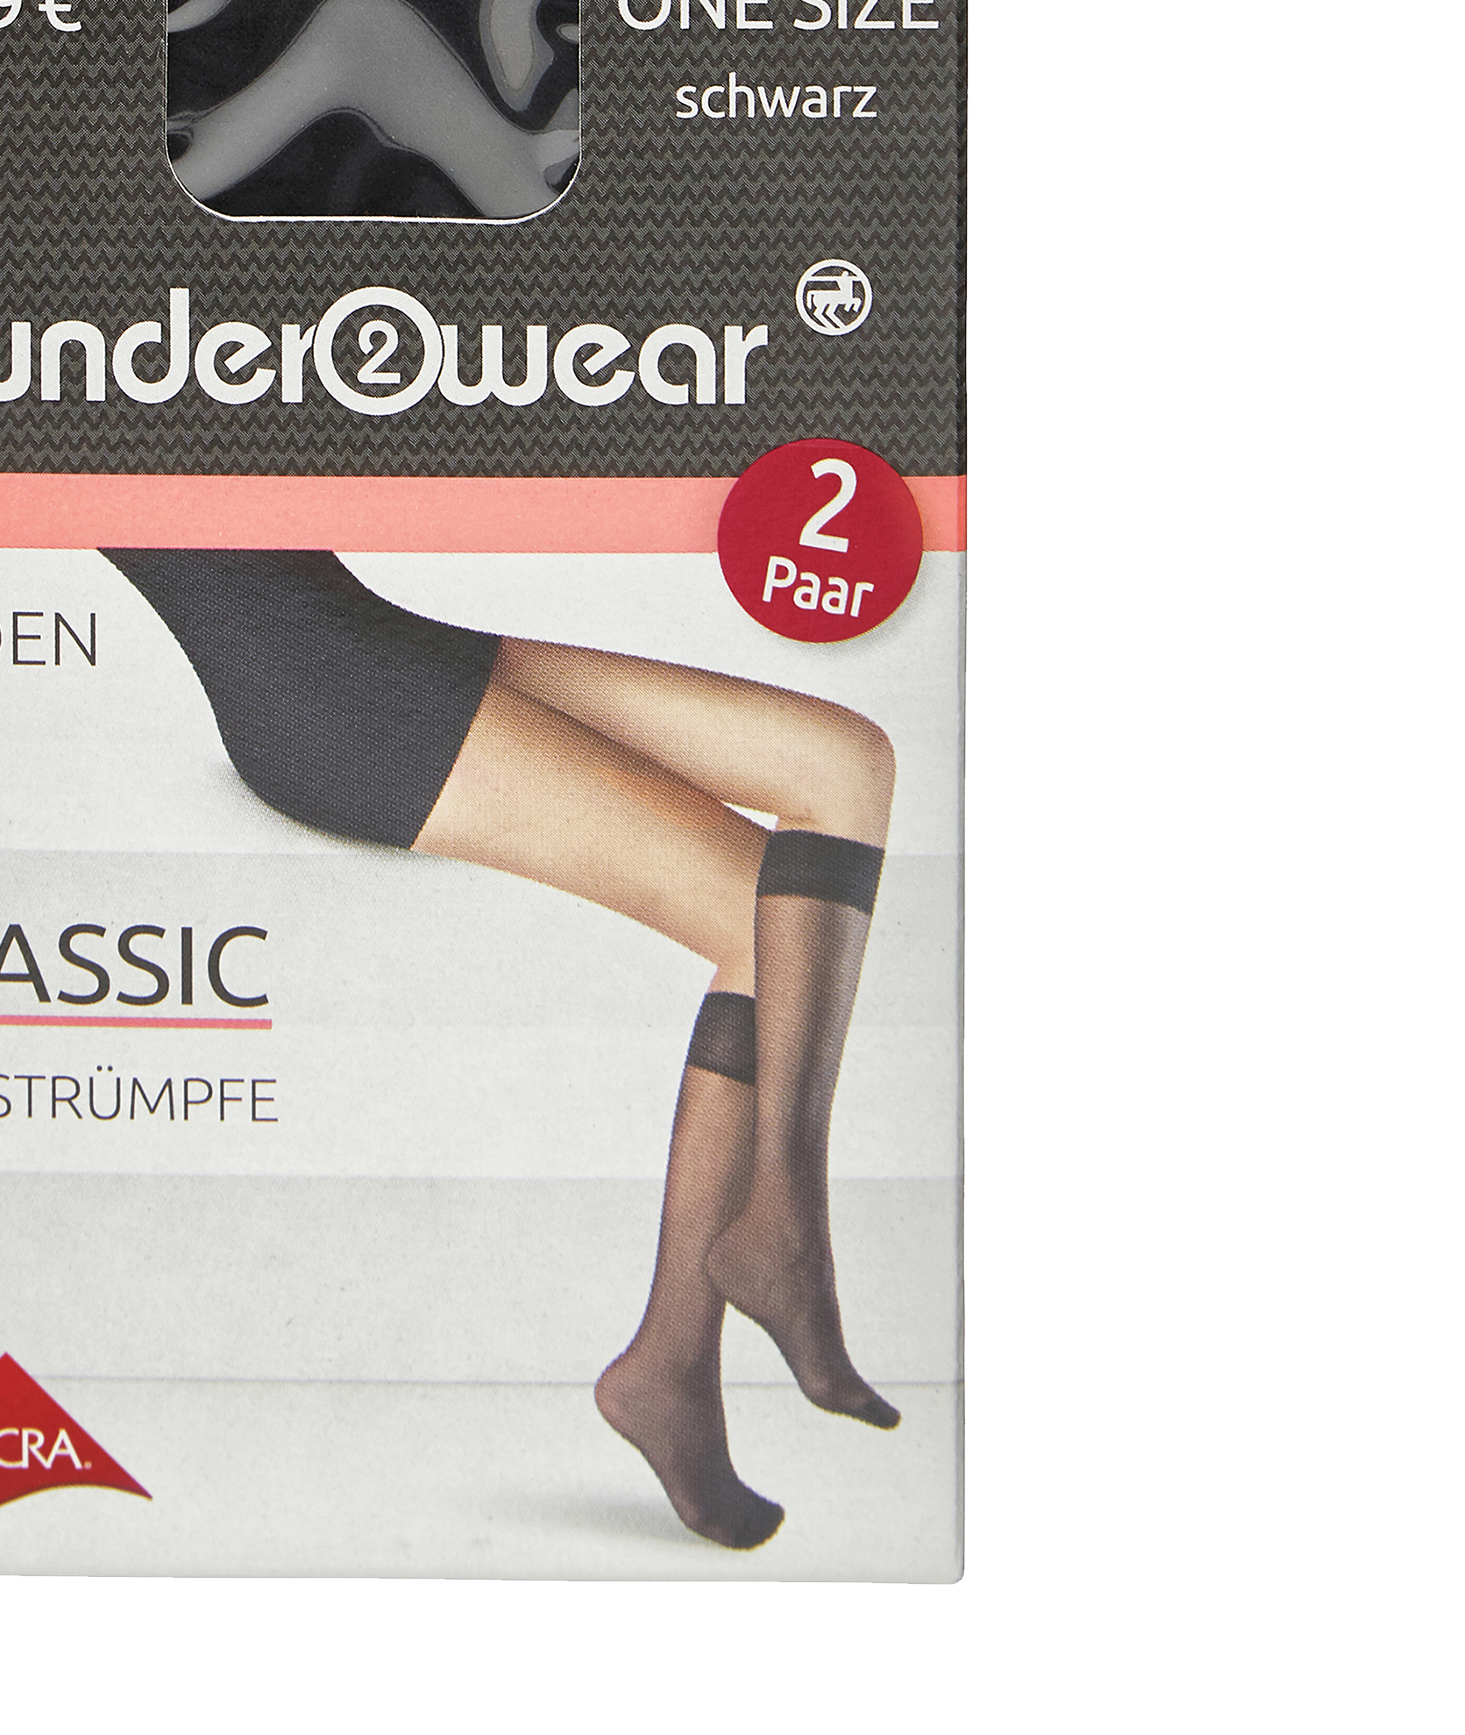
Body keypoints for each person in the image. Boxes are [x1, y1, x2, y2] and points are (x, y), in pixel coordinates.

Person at [101, 548, 898, 1551]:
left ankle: (688, 1343)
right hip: (329, 697)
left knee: (847, 761)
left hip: (365, 639)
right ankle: (773, 1253)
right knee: (775, 918)